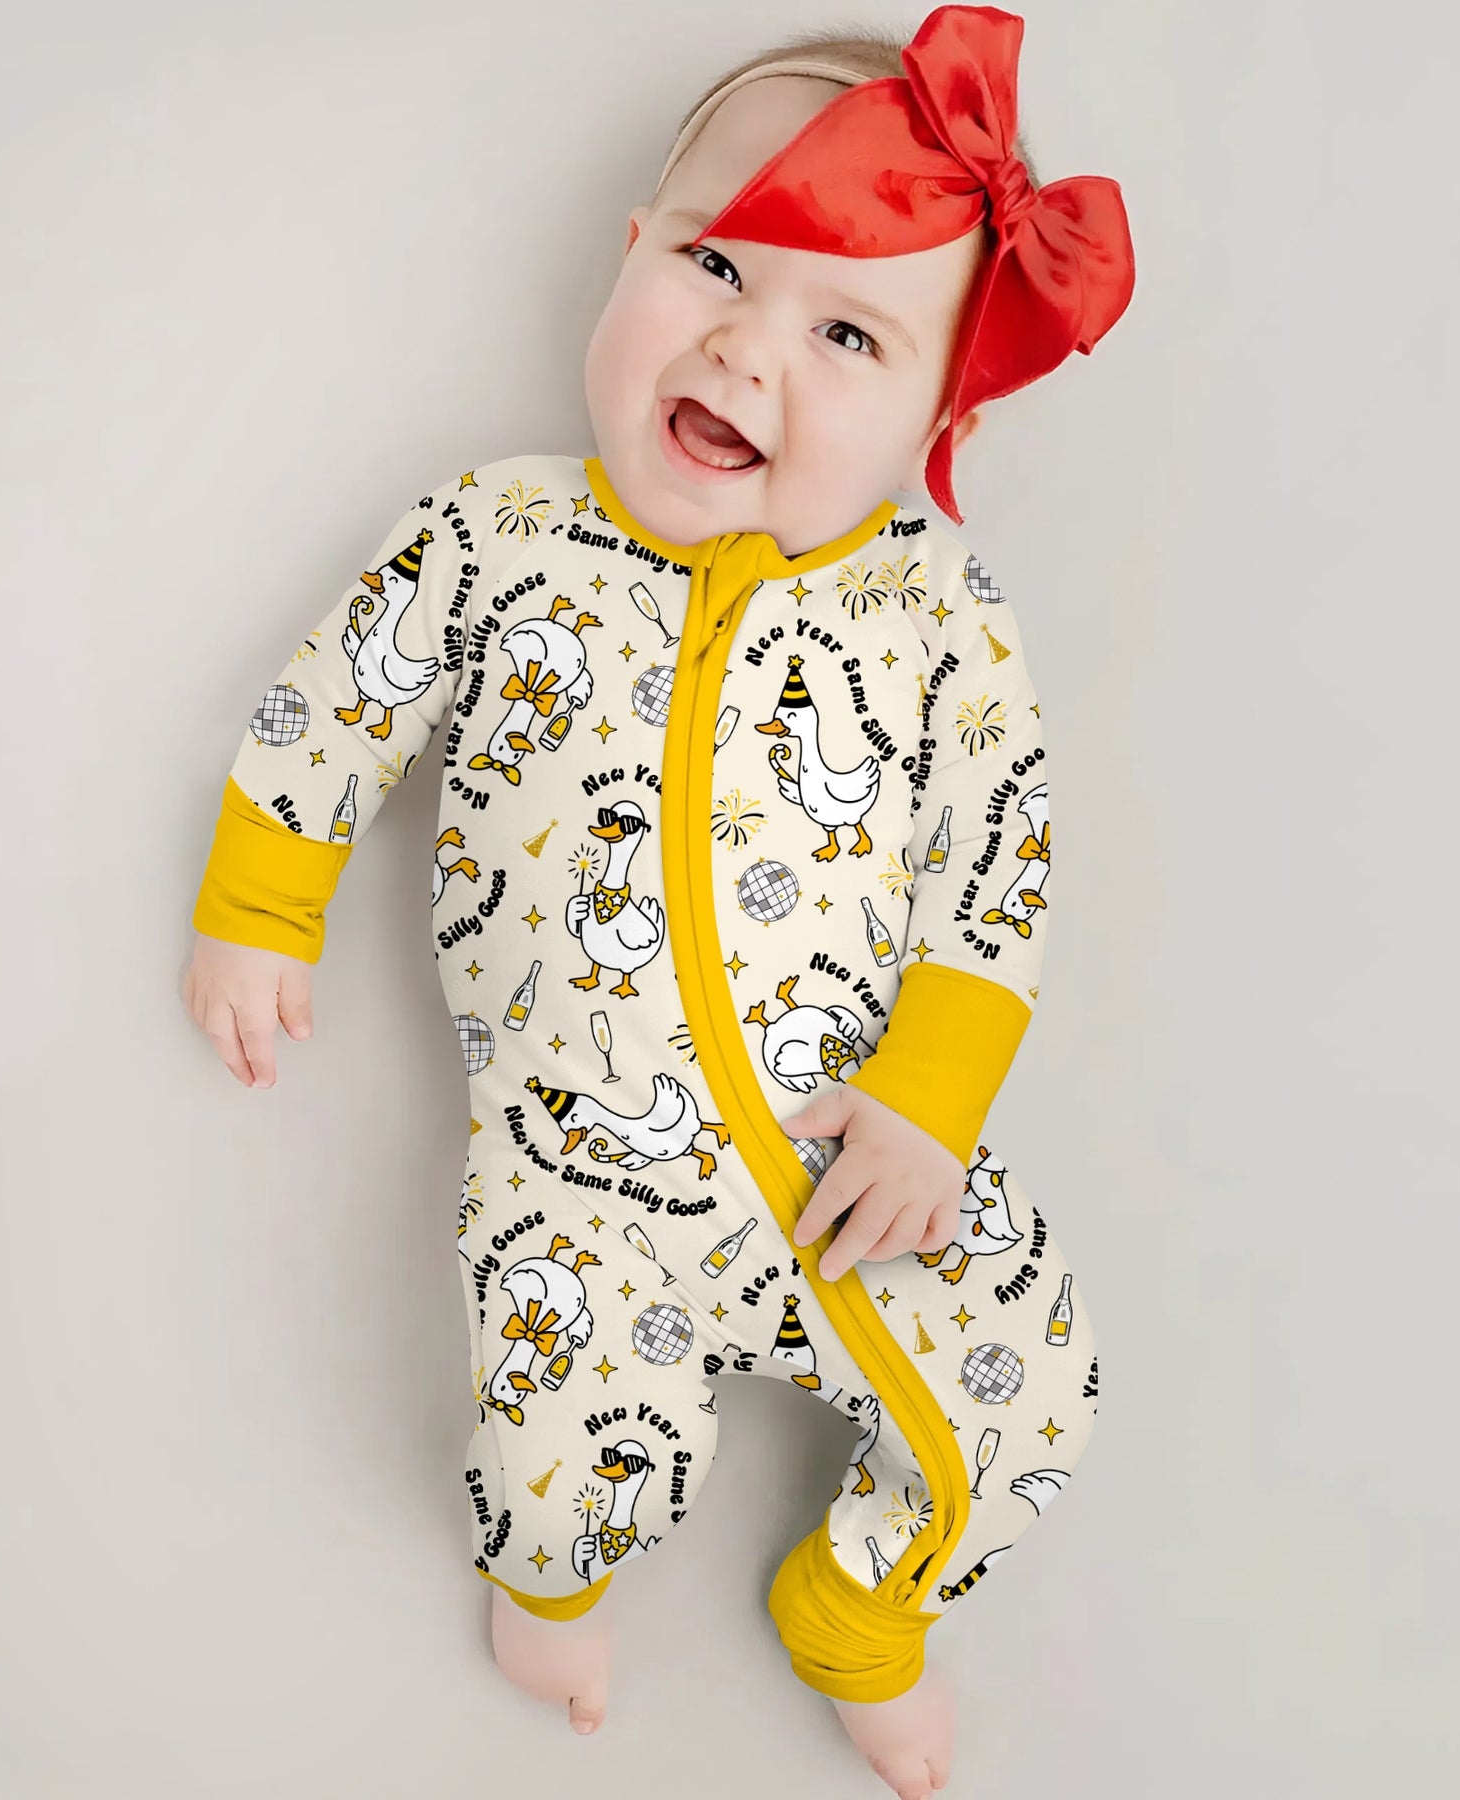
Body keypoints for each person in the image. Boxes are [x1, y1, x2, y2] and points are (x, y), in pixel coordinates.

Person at [180, 10, 1132, 1796]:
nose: (746, 347)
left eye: (845, 332)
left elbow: (999, 858)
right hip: (575, 1190)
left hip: (851, 1169)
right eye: (715, 264)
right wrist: (260, 899)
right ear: (632, 255)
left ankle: (862, 1605)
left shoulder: (935, 613)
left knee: (1032, 1390)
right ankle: (549, 1588)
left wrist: (932, 1098)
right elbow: (349, 690)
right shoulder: (499, 535)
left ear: (942, 412)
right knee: (556, 1472)